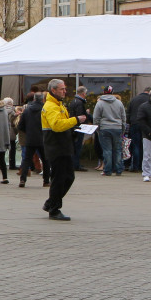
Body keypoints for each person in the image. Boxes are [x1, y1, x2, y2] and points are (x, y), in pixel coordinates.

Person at [42, 79, 84, 220]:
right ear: (53, 90)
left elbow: (62, 125)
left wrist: (74, 128)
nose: (65, 91)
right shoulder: (51, 106)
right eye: (62, 89)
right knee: (59, 178)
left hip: (63, 145)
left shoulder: (59, 105)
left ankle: (51, 203)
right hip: (56, 146)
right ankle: (54, 208)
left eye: (65, 89)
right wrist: (76, 120)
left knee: (67, 177)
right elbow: (57, 125)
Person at [93, 85, 126, 177]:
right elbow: (123, 117)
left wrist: (98, 128)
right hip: (117, 128)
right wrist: (122, 128)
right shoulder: (119, 103)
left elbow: (96, 117)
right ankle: (118, 170)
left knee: (107, 150)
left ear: (104, 92)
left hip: (105, 128)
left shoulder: (100, 103)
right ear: (112, 92)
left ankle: (107, 170)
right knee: (118, 150)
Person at [17, 93, 49, 188]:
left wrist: (28, 132)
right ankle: (46, 181)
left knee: (27, 159)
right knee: (46, 160)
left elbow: (20, 126)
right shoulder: (45, 109)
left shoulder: (27, 110)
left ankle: (23, 179)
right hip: (42, 138)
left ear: (34, 99)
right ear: (43, 99)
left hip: (30, 138)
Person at [126, 88, 150, 172]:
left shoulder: (134, 99)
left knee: (135, 145)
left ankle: (135, 166)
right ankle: (142, 166)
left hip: (134, 124)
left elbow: (128, 113)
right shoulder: (150, 100)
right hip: (146, 125)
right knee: (145, 146)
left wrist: (129, 122)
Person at [68, 86, 90, 171]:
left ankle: (74, 164)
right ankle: (76, 164)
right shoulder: (80, 103)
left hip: (73, 126)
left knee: (74, 146)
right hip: (78, 127)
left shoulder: (73, 101)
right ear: (83, 93)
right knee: (77, 146)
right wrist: (87, 115)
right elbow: (80, 116)